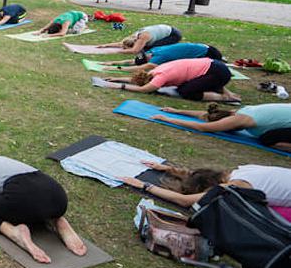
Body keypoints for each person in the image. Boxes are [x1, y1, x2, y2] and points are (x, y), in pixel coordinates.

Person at [120, 162, 291, 221]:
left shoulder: (238, 183)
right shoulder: (241, 171)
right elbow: (197, 175)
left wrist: (144, 185)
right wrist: (167, 168)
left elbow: (184, 201)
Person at [150, 103, 291, 151]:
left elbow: (203, 127)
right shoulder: (239, 111)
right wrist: (177, 111)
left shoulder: (241, 118)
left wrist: (167, 119)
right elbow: (208, 115)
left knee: (268, 140)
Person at [104, 57, 241, 102]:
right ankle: (224, 91)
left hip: (217, 72)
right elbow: (139, 81)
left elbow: (144, 89)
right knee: (191, 83)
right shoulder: (154, 72)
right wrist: (116, 78)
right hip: (214, 66)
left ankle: (224, 97)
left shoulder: (161, 77)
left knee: (186, 91)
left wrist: (120, 86)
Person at [100, 42, 224, 72]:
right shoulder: (153, 51)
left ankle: (222, 62)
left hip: (209, 54)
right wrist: (113, 62)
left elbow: (143, 66)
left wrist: (118, 69)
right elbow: (134, 61)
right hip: (204, 48)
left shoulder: (159, 57)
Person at [96, 24, 182, 53]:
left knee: (148, 50)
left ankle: (174, 47)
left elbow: (134, 50)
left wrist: (117, 51)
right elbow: (120, 43)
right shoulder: (133, 37)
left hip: (173, 34)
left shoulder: (143, 37)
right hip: (165, 29)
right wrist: (105, 45)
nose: (123, 48)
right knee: (145, 48)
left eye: (125, 48)